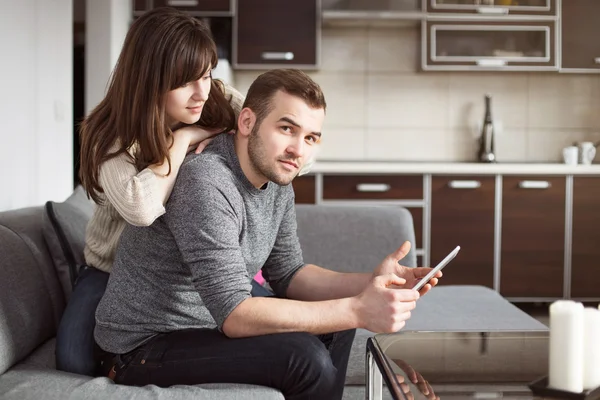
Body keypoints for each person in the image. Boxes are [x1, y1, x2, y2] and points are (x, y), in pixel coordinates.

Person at [94, 68, 442, 400]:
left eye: (310, 137)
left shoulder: (278, 183)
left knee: (333, 323)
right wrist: (359, 310)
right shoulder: (206, 179)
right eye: (287, 129)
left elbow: (289, 274)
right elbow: (234, 314)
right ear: (246, 122)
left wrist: (370, 284)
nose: (298, 150)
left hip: (200, 327)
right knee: (304, 356)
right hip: (141, 347)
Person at [55, 7, 259, 376]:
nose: (201, 92)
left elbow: (282, 144)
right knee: (73, 359)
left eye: (207, 74)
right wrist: (185, 138)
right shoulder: (109, 133)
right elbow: (141, 208)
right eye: (185, 82)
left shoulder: (215, 95)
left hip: (192, 267)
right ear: (150, 79)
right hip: (113, 270)